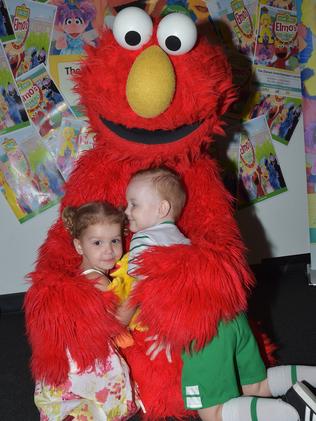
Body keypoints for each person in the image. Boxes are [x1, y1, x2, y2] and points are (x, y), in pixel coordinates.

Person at [123, 167, 316, 421]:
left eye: (133, 204)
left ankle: (295, 413)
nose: (126, 211)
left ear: (162, 209)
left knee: (212, 413)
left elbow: (139, 293)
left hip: (203, 333)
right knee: (256, 386)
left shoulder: (143, 241)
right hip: (232, 319)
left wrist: (116, 324)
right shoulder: (180, 240)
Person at [32, 201, 139, 421]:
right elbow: (117, 322)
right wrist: (139, 289)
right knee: (95, 405)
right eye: (97, 242)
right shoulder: (97, 279)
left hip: (73, 353)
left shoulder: (82, 272)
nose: (108, 250)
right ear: (79, 246)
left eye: (115, 241)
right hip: (87, 362)